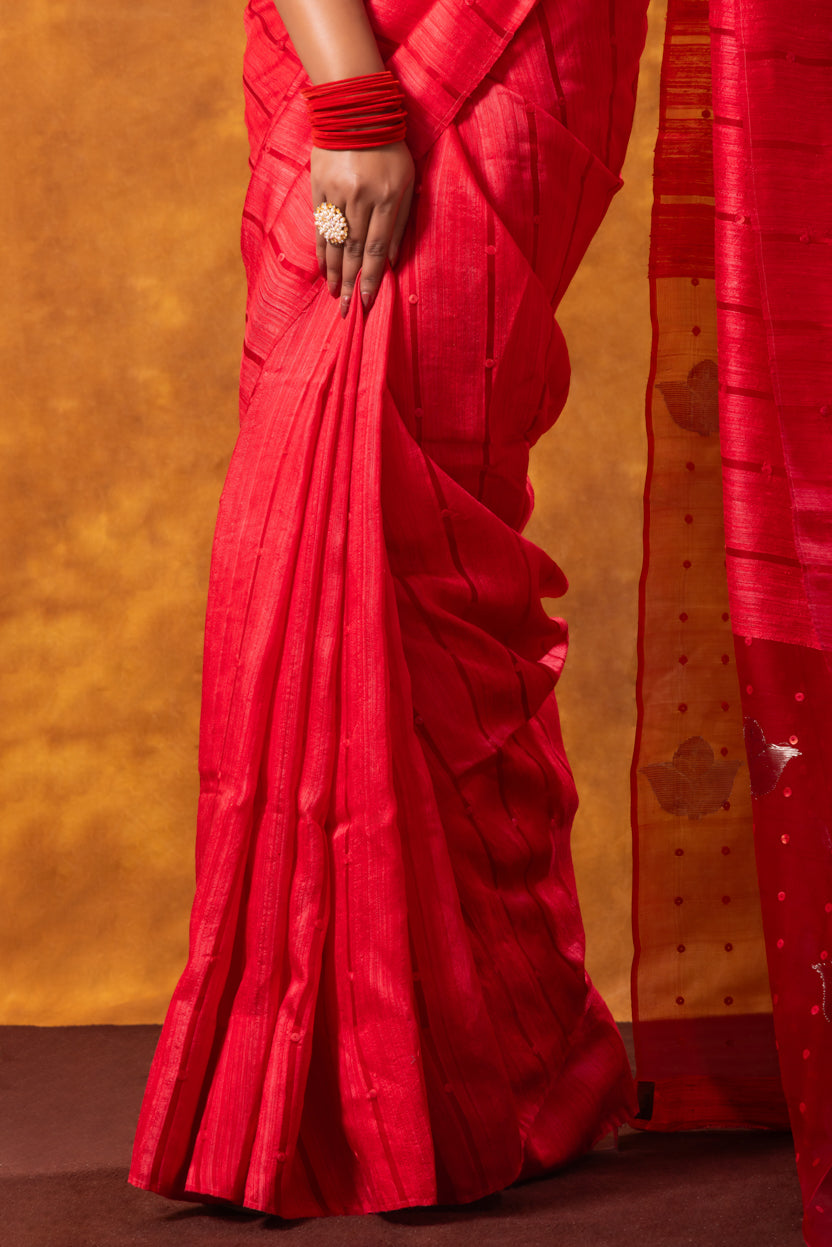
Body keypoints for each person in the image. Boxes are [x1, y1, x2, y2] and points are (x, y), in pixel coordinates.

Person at [127, 0, 650, 1218]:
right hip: (336, 39)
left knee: (434, 525)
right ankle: (366, 1067)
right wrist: (353, 90)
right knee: (314, 507)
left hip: (537, 35)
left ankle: (491, 1062)